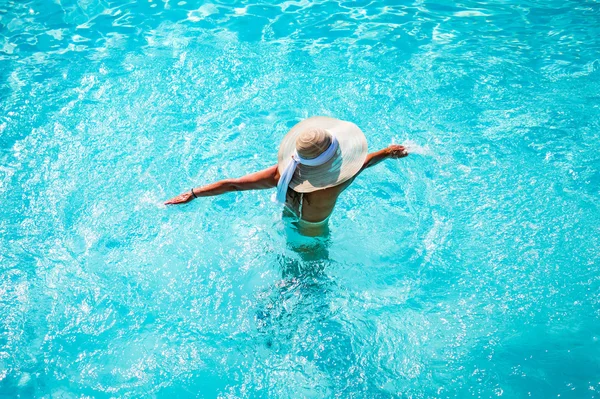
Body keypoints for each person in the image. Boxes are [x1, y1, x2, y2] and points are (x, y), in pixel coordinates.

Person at [165, 116, 408, 235]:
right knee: (309, 282)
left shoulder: (282, 172)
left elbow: (233, 185)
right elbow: (364, 163)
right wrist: (387, 152)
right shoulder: (333, 185)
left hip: (287, 221)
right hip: (311, 237)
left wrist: (194, 193)